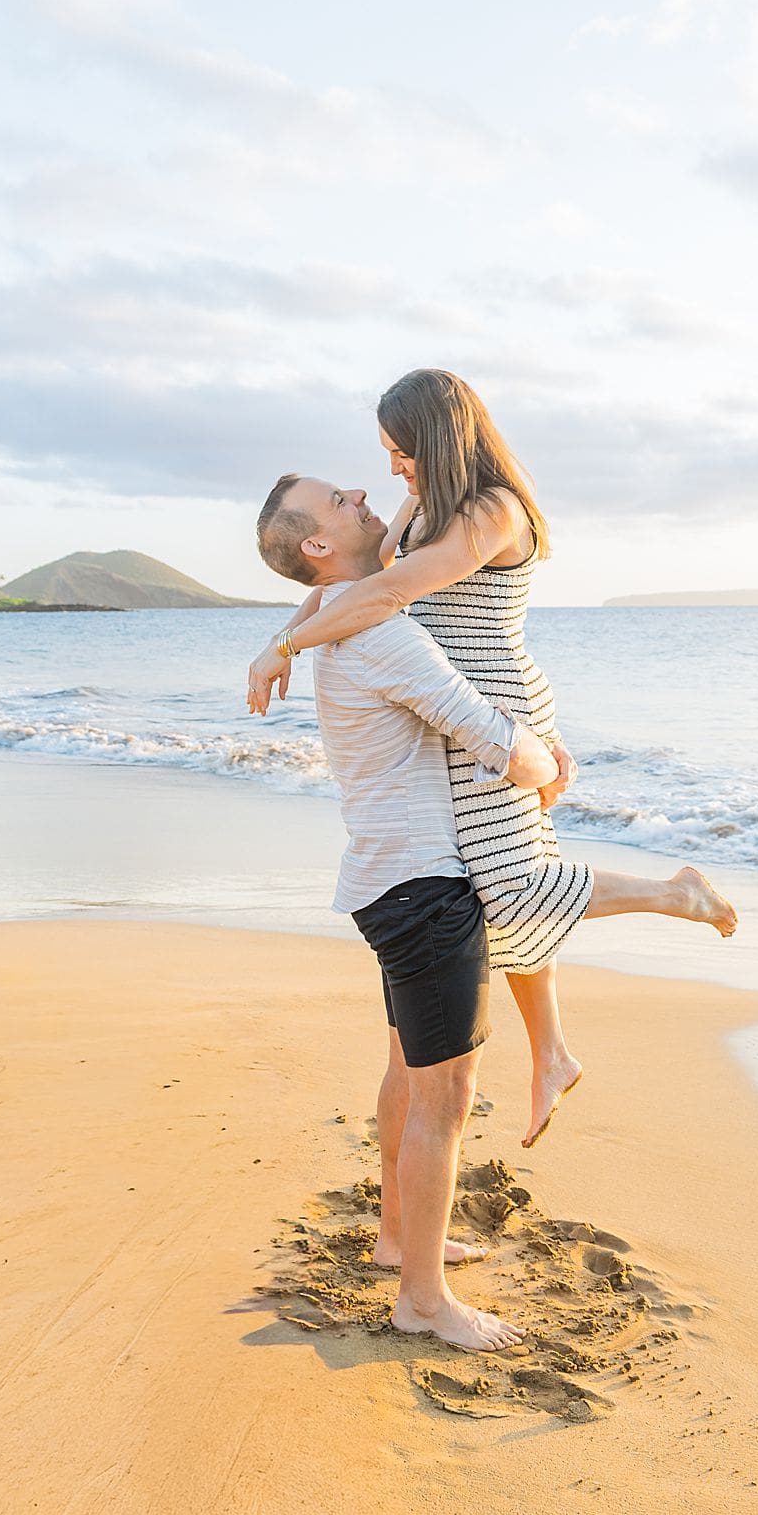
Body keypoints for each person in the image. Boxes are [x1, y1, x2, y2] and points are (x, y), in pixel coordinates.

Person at [249, 370, 737, 1148]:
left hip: (493, 706)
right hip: (449, 706)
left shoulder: (491, 511)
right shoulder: (421, 507)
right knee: (490, 892)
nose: (392, 471)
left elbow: (381, 597)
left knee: (507, 885)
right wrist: (279, 635)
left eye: (400, 452)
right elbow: (348, 583)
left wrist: (279, 650)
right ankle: (551, 1053)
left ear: (436, 440)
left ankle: (675, 894)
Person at [255, 471, 566, 1352]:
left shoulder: (337, 619)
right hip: (425, 891)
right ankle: (423, 1300)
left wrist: (276, 643)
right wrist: (551, 764)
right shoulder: (379, 633)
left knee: (406, 1072)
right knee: (445, 1097)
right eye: (340, 501)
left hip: (386, 882)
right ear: (319, 547)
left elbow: (383, 570)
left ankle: (397, 1238)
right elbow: (494, 740)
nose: (364, 493)